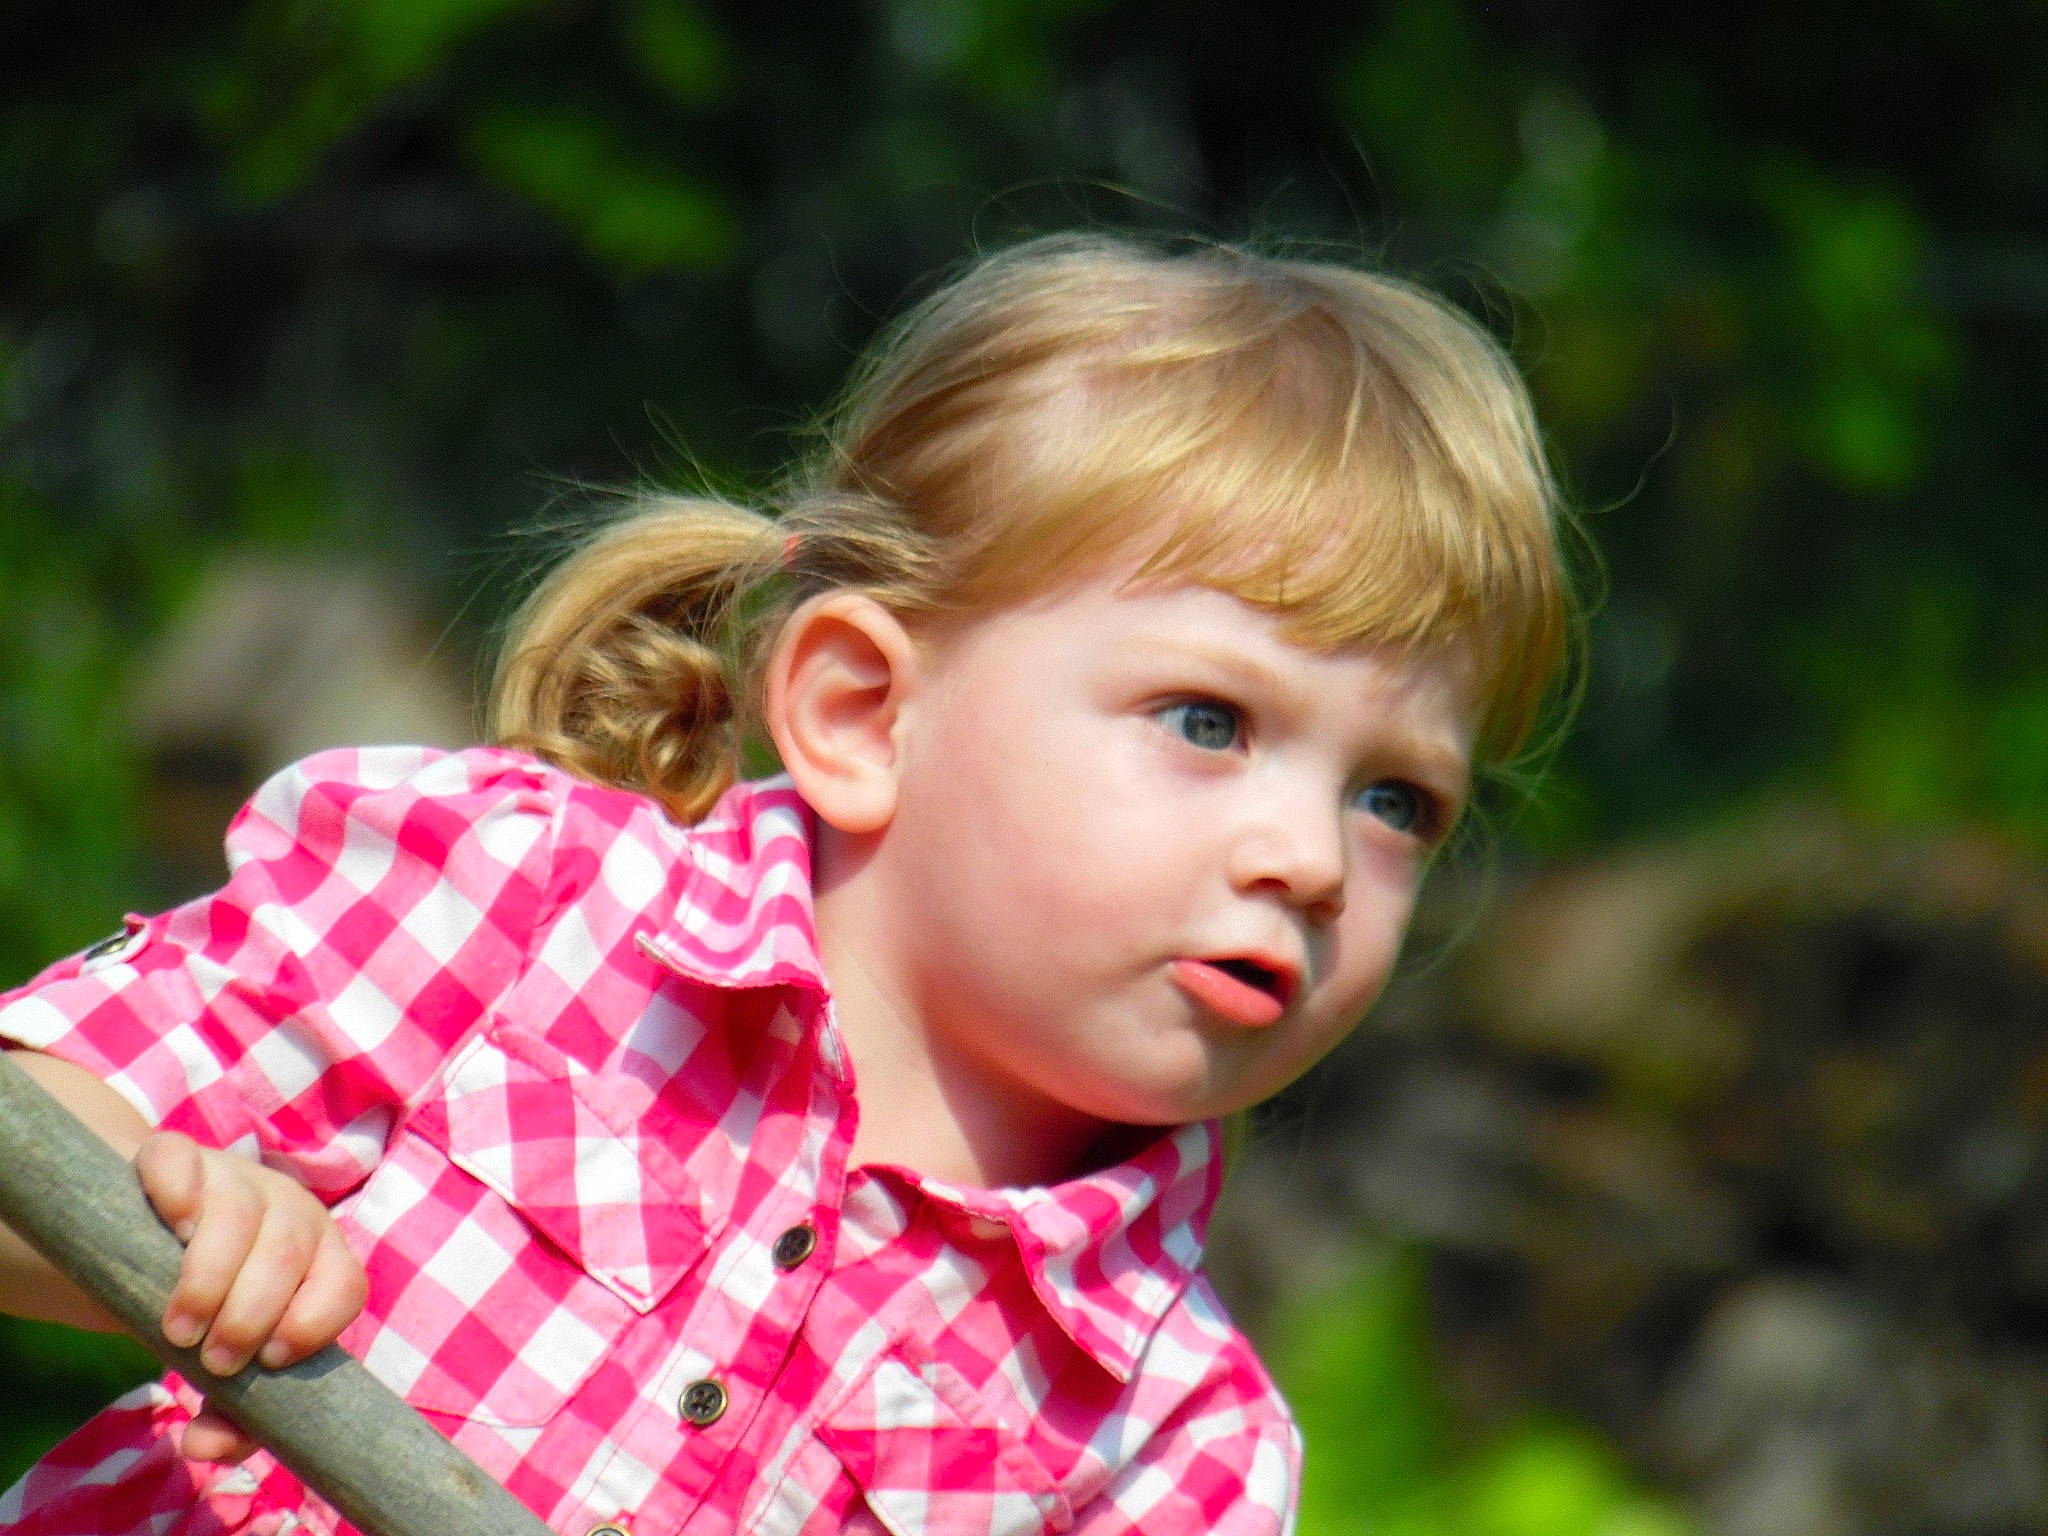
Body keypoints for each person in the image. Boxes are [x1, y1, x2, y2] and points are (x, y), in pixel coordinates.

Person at [0, 232, 1572, 1536]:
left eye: (1395, 799)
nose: (1307, 858)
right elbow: (24, 1153)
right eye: (1209, 722)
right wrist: (196, 1213)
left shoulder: (1174, 1448)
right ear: (860, 713)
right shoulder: (518, 910)